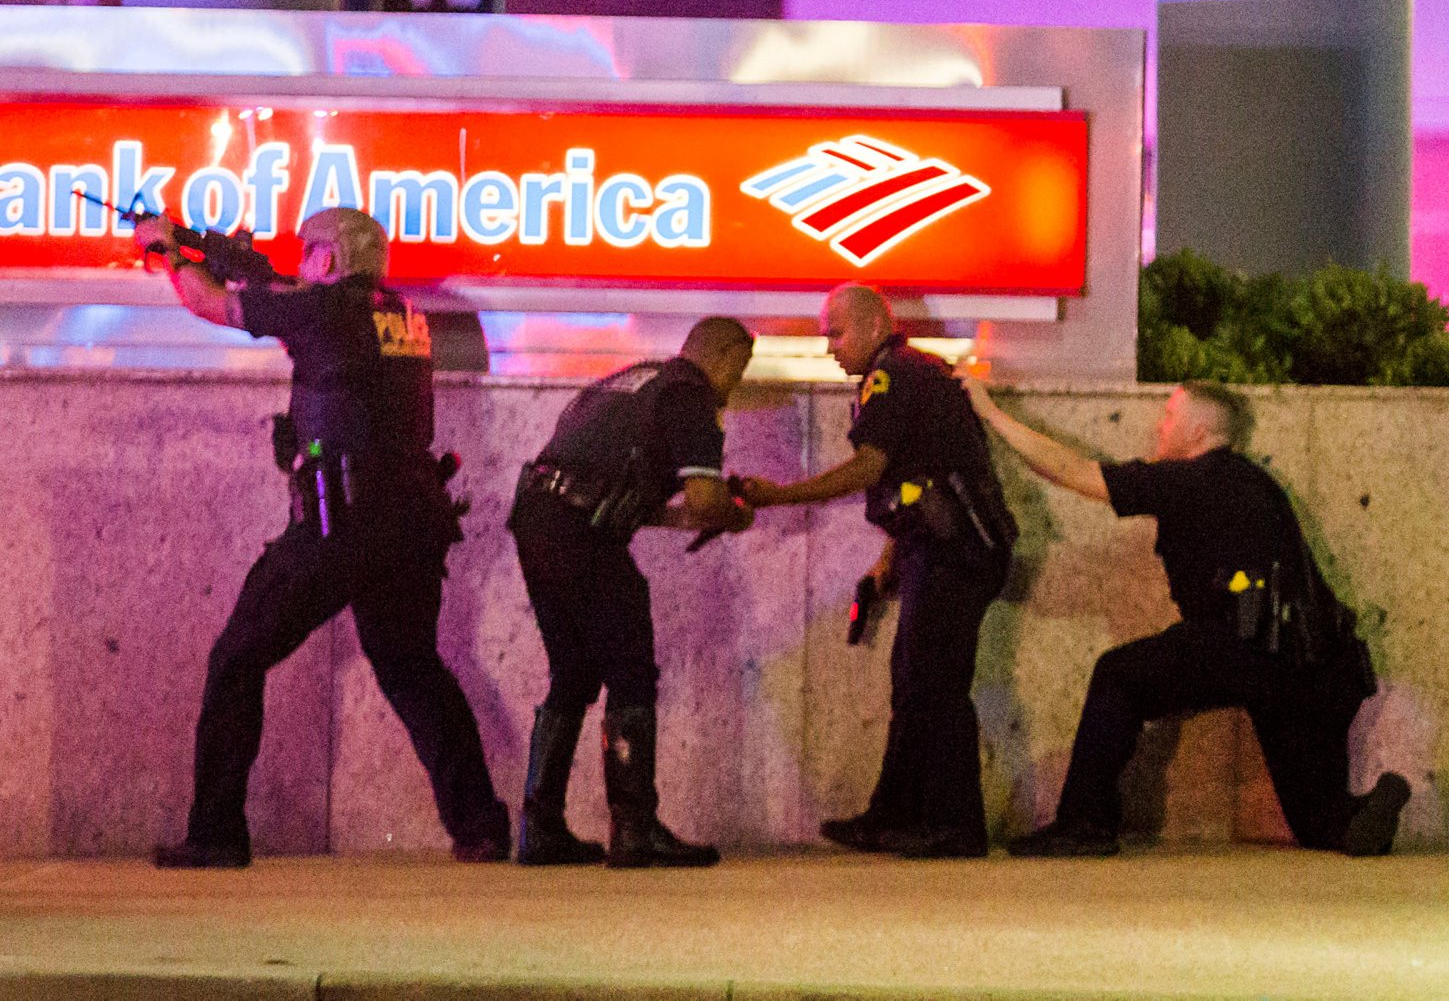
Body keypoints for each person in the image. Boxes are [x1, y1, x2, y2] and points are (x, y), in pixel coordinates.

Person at [136, 206, 508, 869]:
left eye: (308, 252)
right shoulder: (403, 315)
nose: (301, 263)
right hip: (410, 520)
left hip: (343, 520)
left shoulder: (324, 309)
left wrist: (164, 249)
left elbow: (211, 303)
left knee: (237, 657)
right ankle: (480, 823)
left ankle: (216, 831)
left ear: (329, 260)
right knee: (411, 667)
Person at [967, 380, 1411, 858]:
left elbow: (1073, 472)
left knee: (1118, 676)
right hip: (1313, 663)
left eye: (1170, 415)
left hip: (1236, 643)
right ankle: (1375, 802)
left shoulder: (1187, 479)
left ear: (1199, 432)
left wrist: (991, 414)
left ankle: (1084, 824)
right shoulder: (1260, 484)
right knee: (1321, 824)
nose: (1159, 425)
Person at [741, 285, 1017, 858]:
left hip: (958, 552)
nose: (829, 348)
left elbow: (872, 467)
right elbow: (915, 477)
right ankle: (893, 816)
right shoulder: (907, 373)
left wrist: (780, 496)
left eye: (836, 333)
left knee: (935, 684)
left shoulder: (893, 375)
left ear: (872, 327)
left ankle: (957, 826)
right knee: (914, 680)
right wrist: (890, 557)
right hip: (937, 547)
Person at [508, 317, 758, 868]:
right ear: (722, 358)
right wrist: (734, 515)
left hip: (537, 516)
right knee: (631, 672)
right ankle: (635, 827)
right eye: (738, 372)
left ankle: (540, 827)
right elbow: (705, 500)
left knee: (572, 673)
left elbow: (622, 500)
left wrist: (696, 513)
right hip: (581, 533)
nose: (734, 386)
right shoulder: (691, 395)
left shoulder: (629, 382)